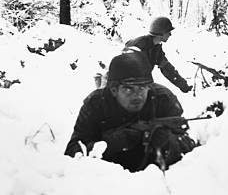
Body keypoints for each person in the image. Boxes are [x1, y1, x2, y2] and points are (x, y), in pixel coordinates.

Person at [65, 51, 195, 172]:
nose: (137, 96)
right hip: (107, 178)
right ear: (114, 90)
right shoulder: (96, 104)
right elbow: (73, 153)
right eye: (129, 89)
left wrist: (167, 141)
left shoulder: (163, 99)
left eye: (142, 88)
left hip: (156, 179)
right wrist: (111, 143)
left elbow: (189, 147)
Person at [124, 17, 192, 93]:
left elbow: (168, 69)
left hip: (141, 85)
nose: (170, 34)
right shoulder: (139, 45)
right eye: (168, 32)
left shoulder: (156, 48)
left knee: (165, 95)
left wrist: (184, 86)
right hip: (126, 86)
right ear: (161, 33)